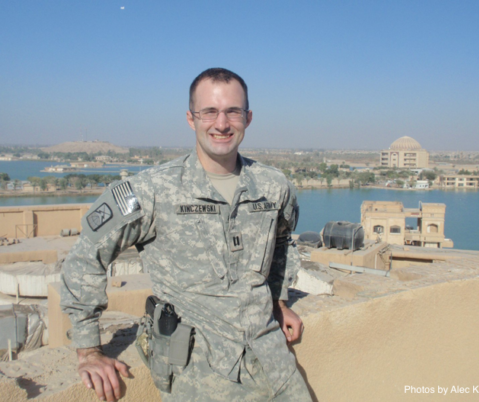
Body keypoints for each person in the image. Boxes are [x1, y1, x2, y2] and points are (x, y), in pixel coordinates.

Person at [60, 68, 312, 401]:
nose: (221, 124)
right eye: (209, 112)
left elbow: (282, 240)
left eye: (232, 112)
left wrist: (278, 301)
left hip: (274, 366)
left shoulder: (272, 186)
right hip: (200, 377)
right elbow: (85, 257)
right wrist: (88, 350)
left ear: (248, 118)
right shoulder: (152, 190)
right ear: (191, 119)